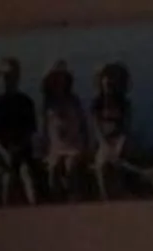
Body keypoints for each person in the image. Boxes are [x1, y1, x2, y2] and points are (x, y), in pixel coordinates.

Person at [0, 57, 39, 206]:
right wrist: (5, 153)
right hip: (2, 155)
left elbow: (30, 132)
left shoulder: (26, 102)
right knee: (6, 180)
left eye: (12, 77)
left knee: (27, 174)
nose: (8, 80)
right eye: (5, 77)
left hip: (22, 153)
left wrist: (17, 150)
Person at [40, 61, 90, 200]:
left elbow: (83, 125)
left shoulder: (74, 100)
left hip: (74, 144)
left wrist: (86, 146)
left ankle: (74, 199)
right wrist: (44, 150)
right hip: (56, 147)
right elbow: (45, 129)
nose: (58, 81)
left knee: (70, 166)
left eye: (61, 77)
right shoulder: (47, 103)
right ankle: (56, 202)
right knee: (53, 168)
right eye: (54, 78)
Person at [89, 60, 134, 199]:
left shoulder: (124, 104)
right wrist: (105, 146)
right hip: (104, 142)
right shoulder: (97, 104)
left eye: (111, 79)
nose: (108, 82)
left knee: (117, 165)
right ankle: (106, 198)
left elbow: (126, 129)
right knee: (102, 164)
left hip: (120, 141)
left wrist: (119, 146)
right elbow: (97, 130)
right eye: (105, 79)